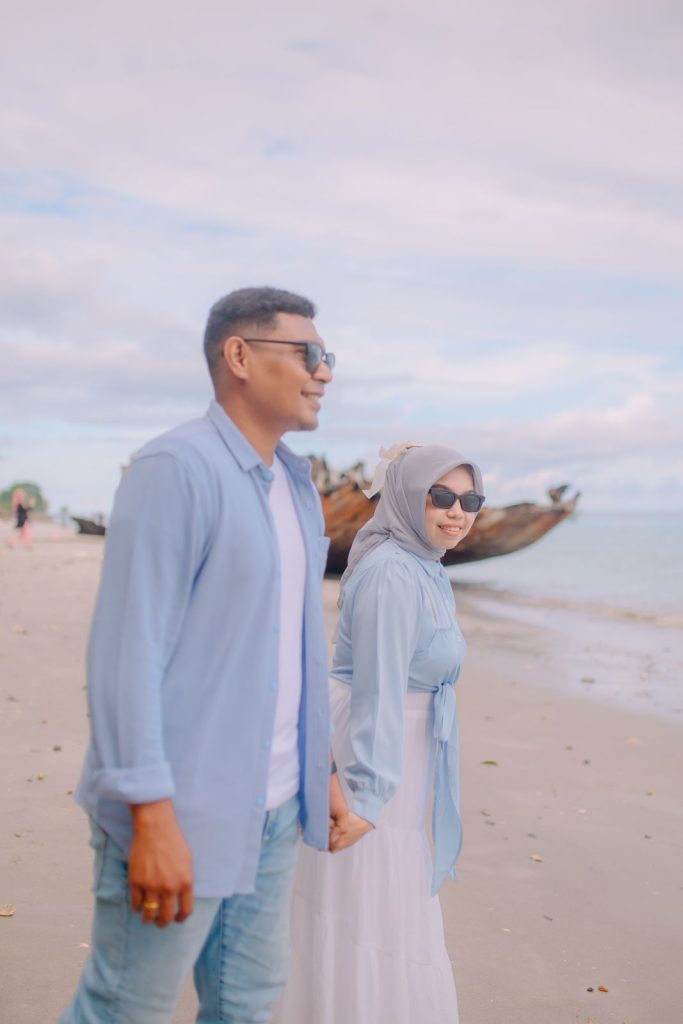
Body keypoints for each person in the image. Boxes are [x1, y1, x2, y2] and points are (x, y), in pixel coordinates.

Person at [60, 286, 343, 1024]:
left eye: (327, 356)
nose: (324, 372)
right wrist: (151, 816)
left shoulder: (295, 484)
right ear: (239, 356)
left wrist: (320, 769)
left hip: (274, 808)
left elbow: (290, 648)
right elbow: (125, 653)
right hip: (180, 807)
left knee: (245, 1006)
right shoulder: (175, 468)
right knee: (124, 1010)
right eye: (309, 353)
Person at [274, 442, 485, 1024]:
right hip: (374, 744)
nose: (457, 511)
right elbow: (378, 688)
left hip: (399, 743)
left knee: (374, 895)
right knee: (366, 894)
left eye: (470, 500)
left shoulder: (423, 564)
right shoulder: (393, 572)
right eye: (441, 496)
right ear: (408, 496)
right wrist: (367, 793)